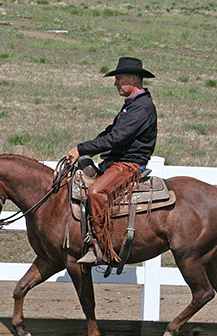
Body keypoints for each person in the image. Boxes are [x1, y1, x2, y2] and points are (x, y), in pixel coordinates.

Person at [66, 57, 158, 265]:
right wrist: (85, 148)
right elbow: (111, 133)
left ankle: (102, 248)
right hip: (117, 162)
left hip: (129, 164)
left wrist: (81, 149)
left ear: (133, 79)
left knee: (96, 193)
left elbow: (117, 138)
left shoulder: (142, 108)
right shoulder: (132, 106)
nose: (115, 83)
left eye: (119, 79)